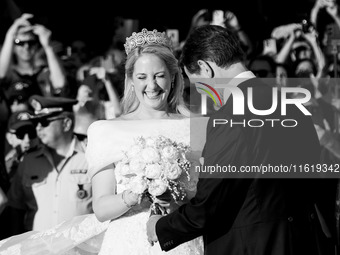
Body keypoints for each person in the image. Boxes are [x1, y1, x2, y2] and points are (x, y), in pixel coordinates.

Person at [146, 25, 332, 255]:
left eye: (197, 84)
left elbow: (211, 204)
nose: (202, 93)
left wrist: (161, 227)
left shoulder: (230, 116)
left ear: (205, 68)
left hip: (253, 246)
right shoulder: (294, 106)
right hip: (304, 241)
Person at [84, 28, 207, 255]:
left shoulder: (199, 127)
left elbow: (209, 198)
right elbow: (100, 209)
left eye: (159, 75)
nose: (152, 86)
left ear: (173, 76)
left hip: (182, 240)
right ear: (130, 80)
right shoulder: (106, 130)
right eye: (142, 77)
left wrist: (175, 192)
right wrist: (136, 193)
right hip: (127, 245)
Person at [5, 95, 93, 234]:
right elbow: (16, 208)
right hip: (37, 249)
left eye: (44, 121)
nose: (38, 127)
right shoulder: (28, 161)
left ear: (66, 124)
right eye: (36, 122)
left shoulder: (91, 156)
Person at [0, 13, 67, 111]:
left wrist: (47, 46)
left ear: (36, 45)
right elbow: (1, 74)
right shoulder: (10, 74)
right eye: (20, 43)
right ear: (13, 47)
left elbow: (61, 84)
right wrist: (10, 34)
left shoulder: (45, 72)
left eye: (31, 43)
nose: (26, 47)